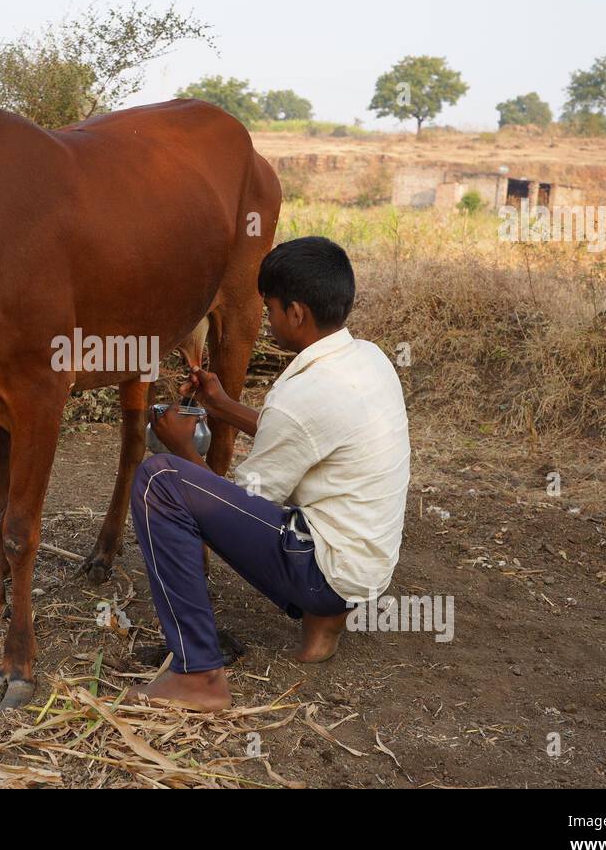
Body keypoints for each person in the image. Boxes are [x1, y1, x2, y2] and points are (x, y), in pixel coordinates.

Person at [131, 236, 410, 710]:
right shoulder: (368, 359)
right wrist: (222, 406)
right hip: (368, 567)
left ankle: (198, 674)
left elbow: (240, 503)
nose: (267, 322)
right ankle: (327, 623)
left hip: (325, 572)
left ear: (296, 313)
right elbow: (308, 438)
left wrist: (181, 452)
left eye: (271, 310)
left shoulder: (299, 396)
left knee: (159, 482)